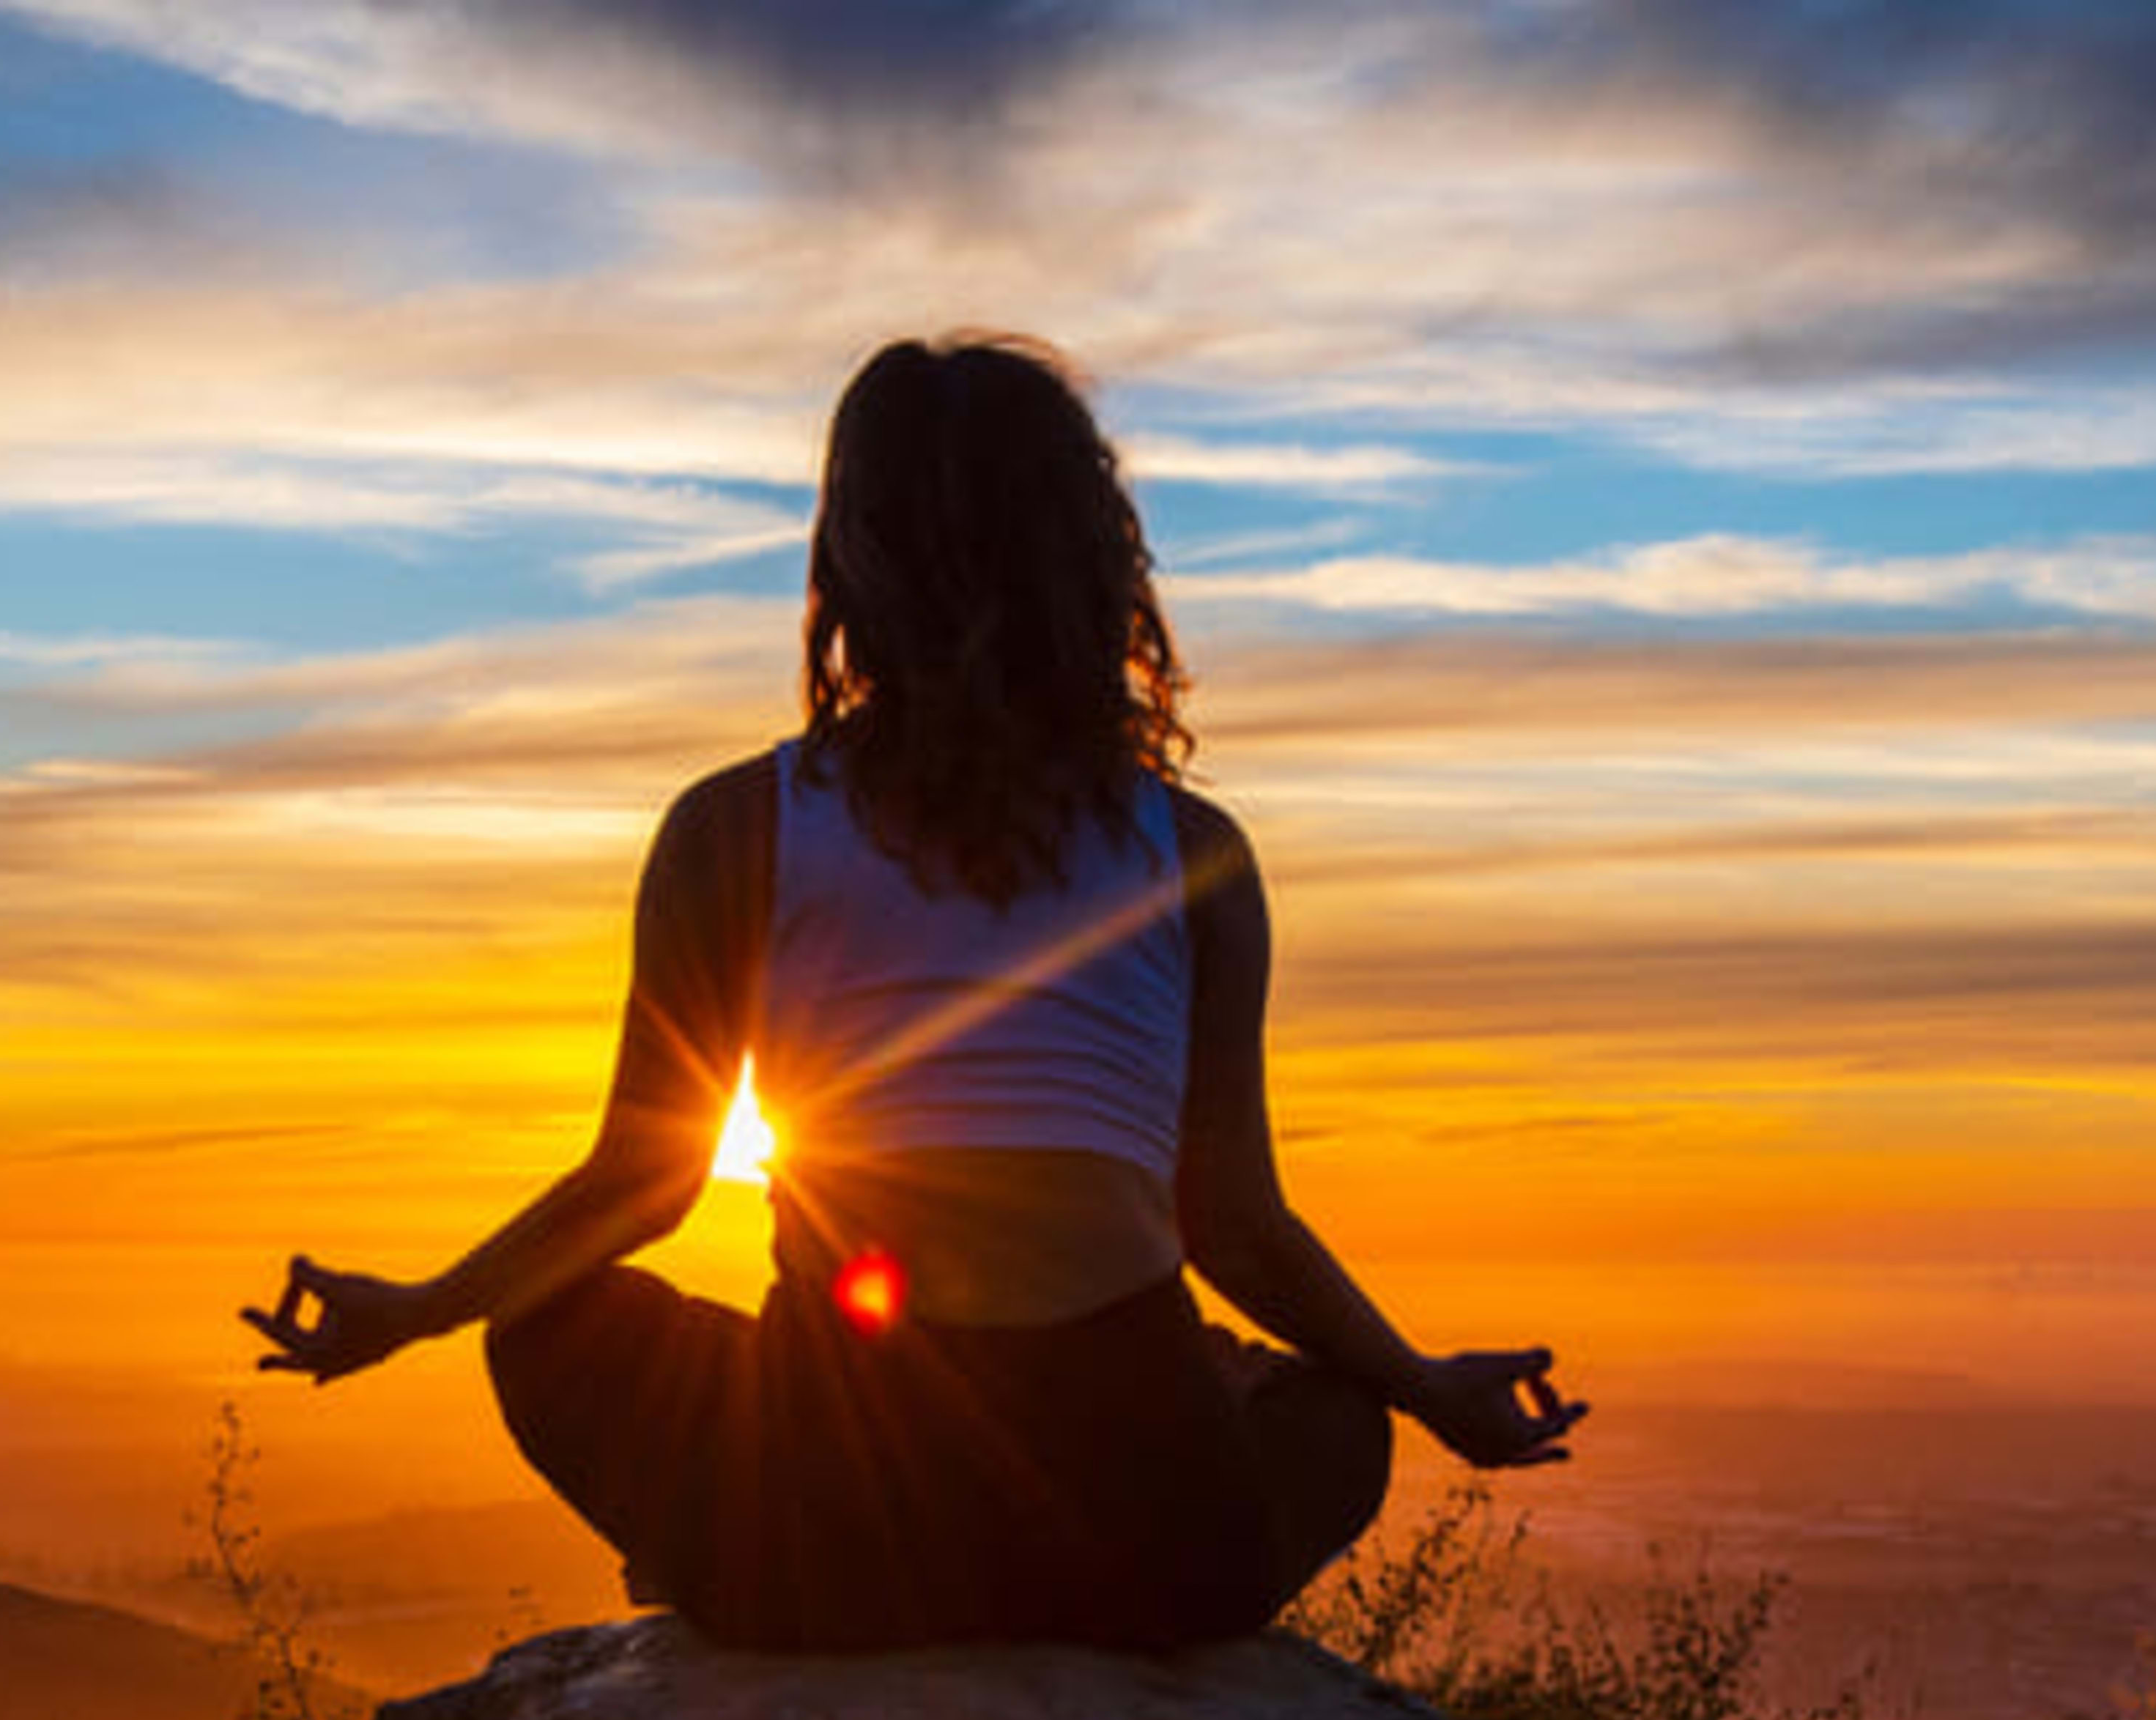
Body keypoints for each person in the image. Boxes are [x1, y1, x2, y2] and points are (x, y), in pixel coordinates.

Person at [244, 334, 1585, 1652]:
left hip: (829, 1537)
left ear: (853, 565)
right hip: (1158, 1552)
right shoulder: (1194, 858)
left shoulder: (737, 830)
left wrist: (417, 1309)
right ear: (1100, 562)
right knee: (1336, 1417)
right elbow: (1235, 1227)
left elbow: (640, 1190)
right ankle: (1037, 1585)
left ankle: (729, 1559)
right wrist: (1421, 1386)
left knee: (545, 1327)